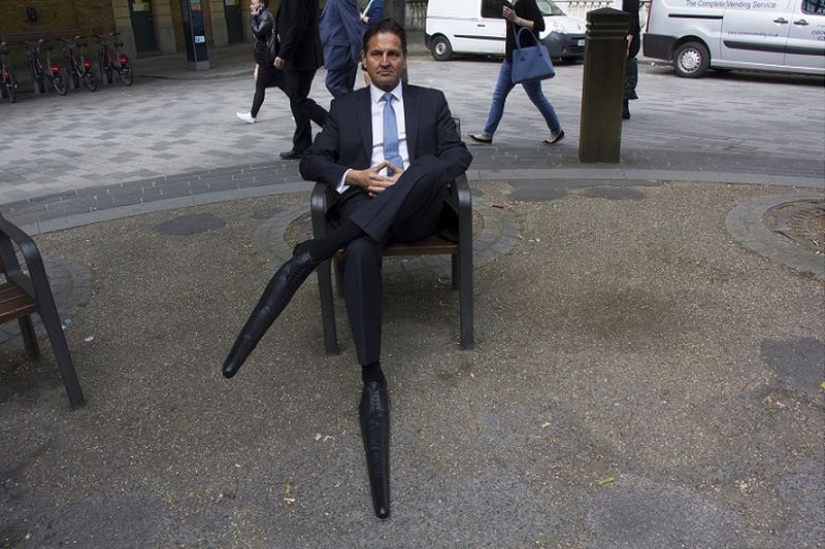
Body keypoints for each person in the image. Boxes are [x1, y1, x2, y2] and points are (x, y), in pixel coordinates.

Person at [222, 19, 472, 520]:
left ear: (404, 59)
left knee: (426, 166)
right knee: (358, 252)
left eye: (394, 53)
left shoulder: (432, 101)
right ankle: (371, 375)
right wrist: (353, 175)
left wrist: (409, 180)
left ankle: (314, 252)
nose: (385, 61)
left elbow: (458, 155)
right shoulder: (346, 107)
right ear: (363, 60)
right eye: (377, 54)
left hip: (416, 212)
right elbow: (311, 162)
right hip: (364, 206)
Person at [469, 0, 565, 145]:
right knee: (498, 96)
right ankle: (487, 134)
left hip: (525, 59)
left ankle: (556, 130)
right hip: (510, 59)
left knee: (537, 97)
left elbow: (540, 25)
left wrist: (516, 19)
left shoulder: (526, 2)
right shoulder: (510, 2)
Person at [275, 0, 329, 159]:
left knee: (298, 100)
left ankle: (333, 125)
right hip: (299, 56)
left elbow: (297, 24)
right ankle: (303, 144)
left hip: (301, 56)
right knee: (297, 99)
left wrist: (283, 53)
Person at [236, 0, 288, 124]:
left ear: (261, 4)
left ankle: (252, 115)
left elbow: (258, 31)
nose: (251, 6)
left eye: (254, 4)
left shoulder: (266, 16)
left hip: (267, 58)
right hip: (267, 57)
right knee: (284, 85)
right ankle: (301, 108)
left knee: (260, 86)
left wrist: (252, 19)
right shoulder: (262, 16)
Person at [319, 0, 364, 98]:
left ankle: (352, 106)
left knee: (333, 83)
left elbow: (353, 23)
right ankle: (349, 106)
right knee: (345, 86)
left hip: (341, 49)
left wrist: (357, 51)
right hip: (340, 47)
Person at [620, 0, 641, 120]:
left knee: (623, 73)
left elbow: (632, 24)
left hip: (630, 41)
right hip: (632, 40)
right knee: (624, 73)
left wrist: (626, 46)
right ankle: (623, 107)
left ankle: (623, 108)